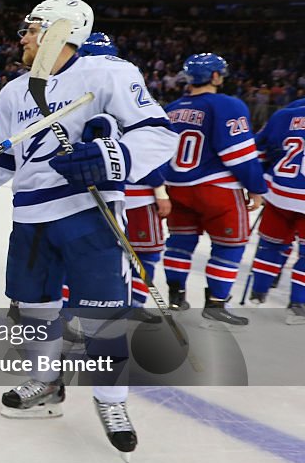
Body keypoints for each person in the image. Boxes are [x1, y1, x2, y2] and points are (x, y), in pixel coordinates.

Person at [0, 0, 178, 460]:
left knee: (103, 314)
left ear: (61, 30)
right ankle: (46, 381)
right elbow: (4, 155)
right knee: (34, 310)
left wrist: (109, 157)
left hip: (88, 216)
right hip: (30, 218)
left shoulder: (107, 73)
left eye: (30, 28)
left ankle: (111, 402)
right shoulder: (14, 91)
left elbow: (158, 133)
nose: (22, 37)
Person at [161, 53, 266, 327]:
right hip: (216, 190)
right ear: (216, 76)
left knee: (179, 244)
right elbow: (239, 154)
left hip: (176, 187)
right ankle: (216, 304)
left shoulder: (171, 108)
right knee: (229, 245)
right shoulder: (228, 104)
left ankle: (175, 297)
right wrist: (256, 187)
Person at [79, 33, 166, 324]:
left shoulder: (64, 90)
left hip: (87, 194)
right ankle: (134, 303)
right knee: (144, 252)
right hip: (134, 193)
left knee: (77, 253)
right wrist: (161, 189)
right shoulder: (127, 89)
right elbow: (149, 145)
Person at [247, 97, 305, 323]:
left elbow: (258, 151)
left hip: (279, 193)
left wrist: (258, 183)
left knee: (270, 245)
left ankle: (258, 293)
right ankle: (298, 304)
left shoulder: (284, 114)